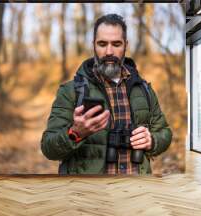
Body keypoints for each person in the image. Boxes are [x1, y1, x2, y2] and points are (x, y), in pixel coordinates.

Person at [41, 14, 172, 175]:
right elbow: (48, 148)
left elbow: (165, 132)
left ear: (125, 45)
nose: (109, 51)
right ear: (93, 45)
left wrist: (152, 141)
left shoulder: (143, 89)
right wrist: (75, 133)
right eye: (102, 44)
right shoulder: (71, 91)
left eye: (116, 44)